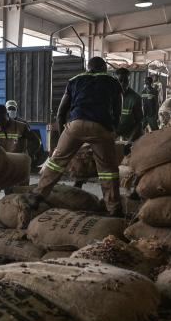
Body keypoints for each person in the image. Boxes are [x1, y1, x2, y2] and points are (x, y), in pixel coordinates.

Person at [28, 56, 123, 216]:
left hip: (76, 124)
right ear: (104, 68)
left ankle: (37, 195)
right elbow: (117, 111)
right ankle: (113, 208)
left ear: (88, 67)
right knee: (108, 169)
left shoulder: (75, 80)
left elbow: (61, 110)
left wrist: (64, 131)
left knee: (56, 162)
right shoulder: (113, 82)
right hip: (101, 127)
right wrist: (113, 130)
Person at [0, 104, 40, 210]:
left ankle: (18, 213)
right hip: (3, 167)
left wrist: (27, 156)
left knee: (19, 194)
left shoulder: (21, 127)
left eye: (1, 120)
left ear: (7, 115)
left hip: (19, 167)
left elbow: (36, 142)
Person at [114, 68, 143, 143]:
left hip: (130, 134)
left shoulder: (135, 98)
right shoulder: (110, 96)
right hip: (114, 134)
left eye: (126, 81)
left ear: (129, 81)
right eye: (120, 80)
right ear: (115, 81)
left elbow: (138, 121)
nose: (123, 84)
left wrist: (130, 140)